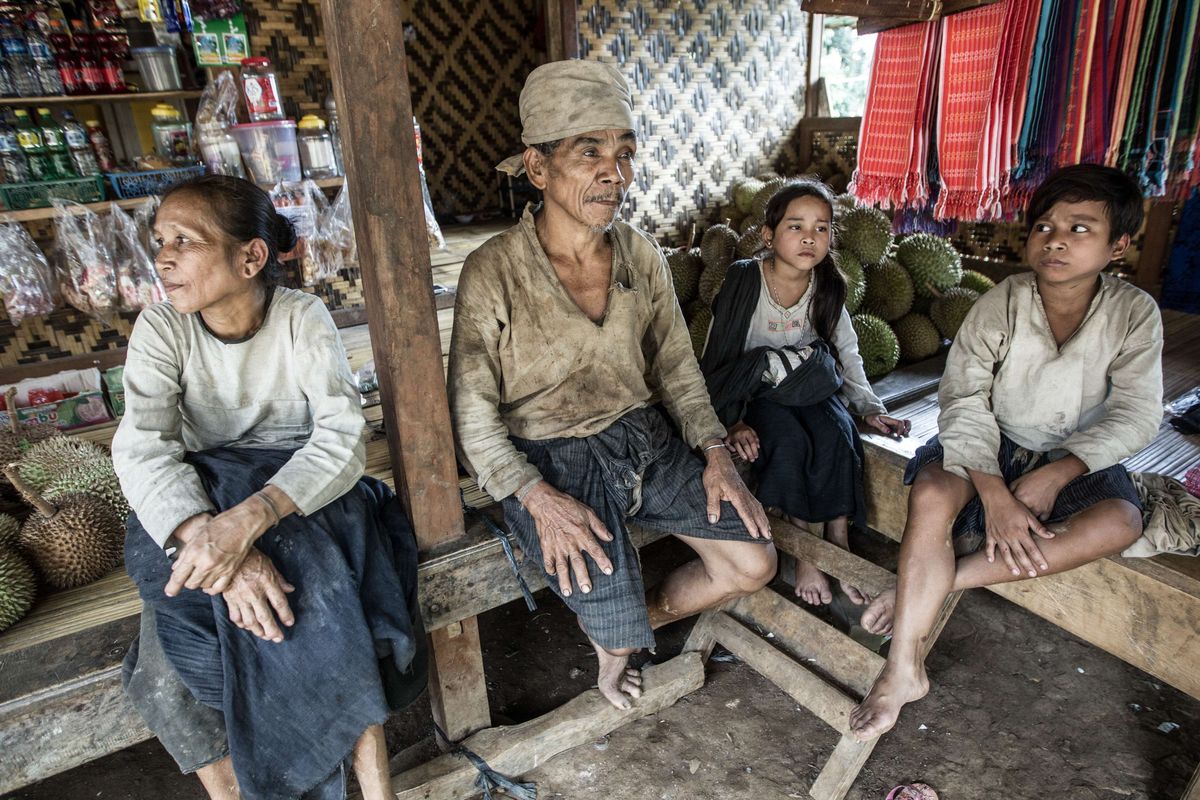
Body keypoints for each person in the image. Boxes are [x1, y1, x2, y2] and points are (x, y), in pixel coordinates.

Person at [448, 60, 777, 711]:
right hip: (549, 458)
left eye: (624, 153)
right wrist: (536, 498)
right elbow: (473, 413)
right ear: (537, 168)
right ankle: (614, 642)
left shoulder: (640, 254)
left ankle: (628, 624)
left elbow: (678, 369)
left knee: (754, 564)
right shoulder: (493, 270)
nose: (615, 173)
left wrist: (713, 453)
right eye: (589, 152)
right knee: (606, 616)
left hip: (641, 440)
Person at [113, 175, 425, 800]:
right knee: (164, 676)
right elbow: (144, 446)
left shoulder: (301, 318)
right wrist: (220, 551)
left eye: (185, 241)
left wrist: (249, 522)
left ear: (250, 257)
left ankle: (375, 792)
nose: (164, 257)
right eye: (159, 241)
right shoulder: (161, 328)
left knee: (324, 619)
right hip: (202, 502)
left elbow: (340, 440)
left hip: (302, 494)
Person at [849, 164, 1163, 741]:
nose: (1056, 239)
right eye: (1044, 226)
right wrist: (993, 491)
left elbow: (1140, 413)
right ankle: (900, 671)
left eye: (1079, 228)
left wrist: (1058, 474)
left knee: (1121, 521)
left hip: (1078, 454)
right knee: (932, 493)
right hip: (989, 442)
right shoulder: (1002, 301)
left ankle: (928, 584)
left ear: (1118, 245)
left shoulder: (1134, 313)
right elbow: (963, 397)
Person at [700, 180, 910, 607]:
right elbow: (718, 356)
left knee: (837, 434)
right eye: (795, 227)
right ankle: (808, 548)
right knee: (788, 442)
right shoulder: (744, 281)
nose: (809, 237)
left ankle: (838, 535)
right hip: (756, 392)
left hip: (809, 384)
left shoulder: (829, 285)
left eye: (821, 228)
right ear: (767, 235)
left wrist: (869, 407)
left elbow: (846, 351)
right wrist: (732, 419)